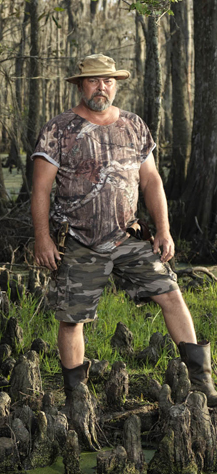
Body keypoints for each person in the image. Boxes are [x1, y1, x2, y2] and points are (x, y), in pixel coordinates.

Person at [31, 53, 217, 408]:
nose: (102, 87)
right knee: (73, 318)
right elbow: (41, 188)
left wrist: (163, 229)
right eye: (94, 80)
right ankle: (77, 395)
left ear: (115, 85)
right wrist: (42, 237)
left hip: (127, 235)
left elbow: (151, 180)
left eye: (108, 81)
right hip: (79, 240)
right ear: (80, 85)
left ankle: (202, 381)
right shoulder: (59, 129)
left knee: (171, 293)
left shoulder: (133, 125)